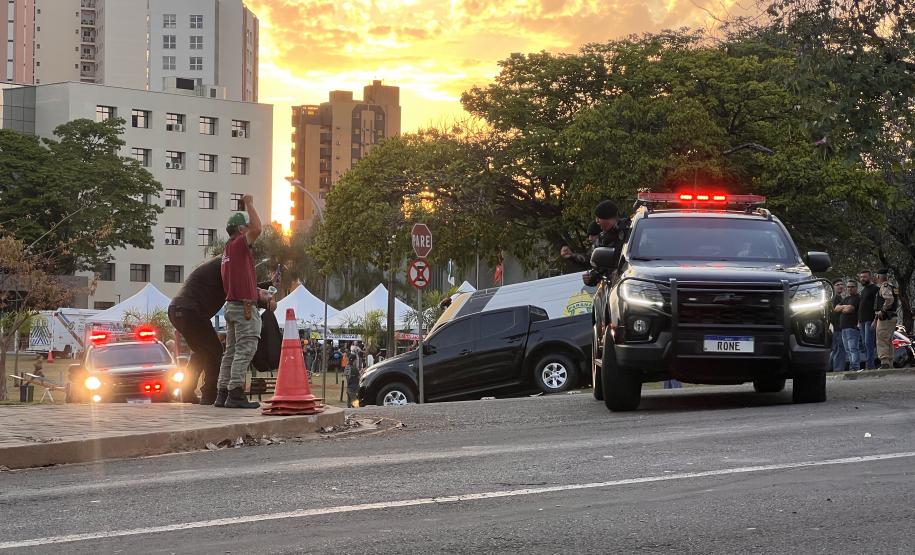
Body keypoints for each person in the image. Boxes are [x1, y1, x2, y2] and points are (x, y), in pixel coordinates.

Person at [168, 255, 275, 405]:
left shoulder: (222, 264)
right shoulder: (229, 263)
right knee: (215, 351)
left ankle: (187, 391)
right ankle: (209, 394)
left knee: (201, 351)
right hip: (190, 310)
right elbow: (237, 290)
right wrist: (262, 295)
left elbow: (238, 287)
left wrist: (268, 285)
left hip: (178, 309)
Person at [216, 194, 264, 409]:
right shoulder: (239, 245)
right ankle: (235, 393)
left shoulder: (227, 250)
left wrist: (258, 293)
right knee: (245, 350)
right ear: (241, 229)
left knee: (231, 352)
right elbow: (258, 229)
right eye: (245, 226)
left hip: (232, 305)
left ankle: (222, 392)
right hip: (243, 308)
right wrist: (250, 203)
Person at [583, 200, 631, 286]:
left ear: (607, 219)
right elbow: (601, 266)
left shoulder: (630, 231)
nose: (597, 221)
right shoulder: (604, 238)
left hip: (631, 282)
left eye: (598, 218)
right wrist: (591, 278)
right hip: (615, 287)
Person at [873, 269, 898, 369]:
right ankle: (889, 363)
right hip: (892, 316)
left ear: (878, 277)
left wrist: (882, 311)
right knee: (888, 340)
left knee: (882, 339)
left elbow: (889, 299)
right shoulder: (893, 286)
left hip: (886, 317)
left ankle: (884, 363)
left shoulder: (885, 286)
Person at [834, 280, 862, 371]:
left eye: (852, 287)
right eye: (848, 287)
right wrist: (844, 307)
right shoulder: (846, 299)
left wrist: (843, 307)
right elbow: (836, 308)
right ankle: (852, 367)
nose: (850, 288)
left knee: (853, 348)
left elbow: (850, 309)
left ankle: (855, 367)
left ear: (856, 288)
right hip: (843, 328)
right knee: (847, 350)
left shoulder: (857, 298)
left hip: (852, 327)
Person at [857, 270, 879, 369]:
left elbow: (878, 306)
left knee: (868, 343)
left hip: (870, 320)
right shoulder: (863, 290)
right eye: (861, 277)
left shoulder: (875, 289)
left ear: (870, 277)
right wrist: (858, 321)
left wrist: (875, 320)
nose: (862, 279)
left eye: (865, 277)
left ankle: (870, 366)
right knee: (865, 345)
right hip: (862, 321)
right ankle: (869, 365)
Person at [830, 279, 847, 372]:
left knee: (836, 349)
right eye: (837, 284)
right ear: (833, 287)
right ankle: (838, 369)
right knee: (840, 350)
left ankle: (829, 368)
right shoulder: (835, 298)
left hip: (837, 328)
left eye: (841, 284)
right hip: (838, 328)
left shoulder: (839, 298)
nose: (840, 286)